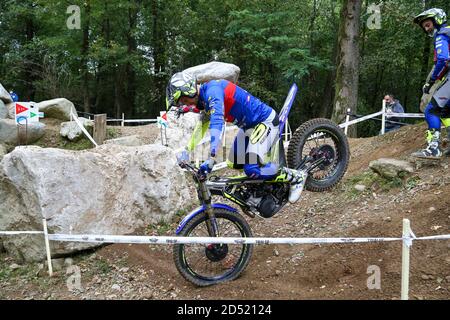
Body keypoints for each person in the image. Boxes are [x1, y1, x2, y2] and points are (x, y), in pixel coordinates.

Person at [166, 72, 307, 203]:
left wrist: (212, 157)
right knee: (235, 163)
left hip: (265, 122)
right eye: (182, 103)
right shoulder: (204, 99)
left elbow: (217, 122)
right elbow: (201, 126)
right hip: (249, 128)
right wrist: (187, 149)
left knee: (251, 168)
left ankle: (295, 177)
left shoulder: (213, 92)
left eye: (184, 100)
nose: (185, 104)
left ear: (189, 90)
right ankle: (261, 188)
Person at [412, 8, 450, 159]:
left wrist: (431, 81)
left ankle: (434, 148)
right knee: (446, 112)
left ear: (437, 20)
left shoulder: (442, 35)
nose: (427, 29)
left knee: (431, 111)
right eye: (425, 27)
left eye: (428, 24)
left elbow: (443, 60)